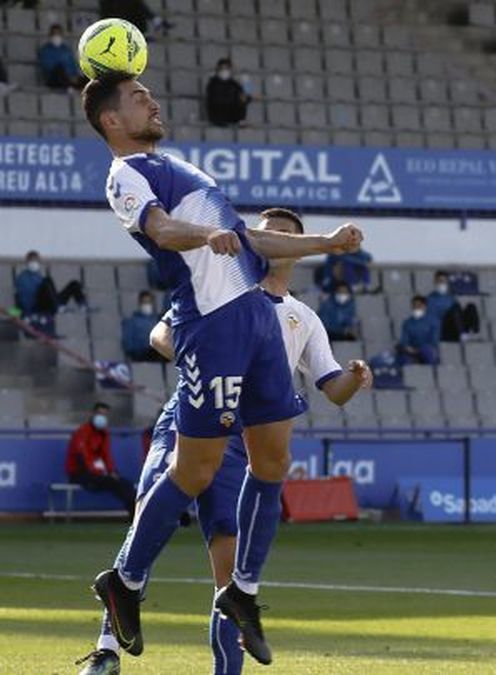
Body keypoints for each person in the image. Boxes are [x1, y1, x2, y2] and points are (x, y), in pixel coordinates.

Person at [80, 72, 362, 663]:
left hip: (255, 317)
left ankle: (243, 593)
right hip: (210, 326)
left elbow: (250, 239)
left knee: (274, 460)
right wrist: (208, 233)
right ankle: (124, 581)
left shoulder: (179, 166)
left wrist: (325, 243)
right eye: (137, 98)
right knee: (195, 470)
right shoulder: (125, 175)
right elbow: (161, 229)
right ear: (110, 119)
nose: (153, 100)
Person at [65, 403, 136, 519]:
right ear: (92, 414)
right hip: (80, 473)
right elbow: (82, 457)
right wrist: (100, 473)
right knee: (114, 483)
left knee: (126, 483)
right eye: (100, 414)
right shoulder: (82, 432)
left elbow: (106, 455)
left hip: (97, 474)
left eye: (104, 415)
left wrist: (112, 471)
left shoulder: (104, 434)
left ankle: (136, 513)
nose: (102, 417)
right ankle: (134, 514)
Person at [14, 250, 87, 318]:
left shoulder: (38, 275)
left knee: (73, 284)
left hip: (50, 302)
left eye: (36, 261)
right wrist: (27, 312)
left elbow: (47, 292)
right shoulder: (22, 278)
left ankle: (82, 305)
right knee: (47, 280)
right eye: (32, 260)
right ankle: (57, 307)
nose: (34, 263)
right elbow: (24, 299)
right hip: (37, 306)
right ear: (27, 262)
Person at [425, 270, 480, 342]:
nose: (442, 283)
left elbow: (458, 315)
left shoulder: (450, 297)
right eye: (439, 281)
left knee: (471, 306)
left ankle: (473, 332)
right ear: (435, 282)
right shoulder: (430, 299)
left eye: (444, 281)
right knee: (454, 308)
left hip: (455, 326)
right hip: (444, 330)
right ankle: (462, 334)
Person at [205, 58, 250, 127]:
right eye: (222, 68)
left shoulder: (234, 84)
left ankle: (241, 121)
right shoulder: (213, 83)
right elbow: (215, 99)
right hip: (218, 115)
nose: (224, 71)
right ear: (218, 70)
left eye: (227, 68)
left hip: (231, 113)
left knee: (242, 98)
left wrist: (246, 83)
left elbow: (245, 95)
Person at [38, 24, 86, 90]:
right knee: (59, 69)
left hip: (69, 78)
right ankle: (69, 86)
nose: (56, 36)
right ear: (50, 35)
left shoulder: (66, 50)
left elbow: (73, 65)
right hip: (53, 79)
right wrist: (66, 75)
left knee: (86, 75)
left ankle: (73, 86)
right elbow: (48, 67)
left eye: (58, 34)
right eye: (54, 34)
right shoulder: (45, 50)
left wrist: (74, 75)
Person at [396, 295, 440, 365]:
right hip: (411, 352)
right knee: (403, 359)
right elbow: (404, 340)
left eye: (419, 306)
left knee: (427, 352)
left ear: (425, 306)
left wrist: (419, 350)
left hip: (427, 351)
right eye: (414, 306)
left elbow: (434, 340)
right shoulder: (407, 323)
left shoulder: (433, 321)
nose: (416, 308)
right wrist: (409, 348)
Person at [121, 291, 163, 362]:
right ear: (140, 304)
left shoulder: (158, 321)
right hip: (140, 354)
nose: (147, 305)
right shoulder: (132, 321)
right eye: (144, 302)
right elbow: (128, 344)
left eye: (149, 302)